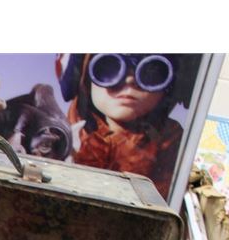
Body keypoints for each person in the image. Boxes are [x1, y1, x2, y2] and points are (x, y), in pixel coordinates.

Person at [59, 54, 198, 200]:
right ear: (85, 77)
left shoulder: (174, 155)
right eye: (109, 67)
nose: (130, 80)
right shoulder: (62, 143)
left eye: (151, 72)